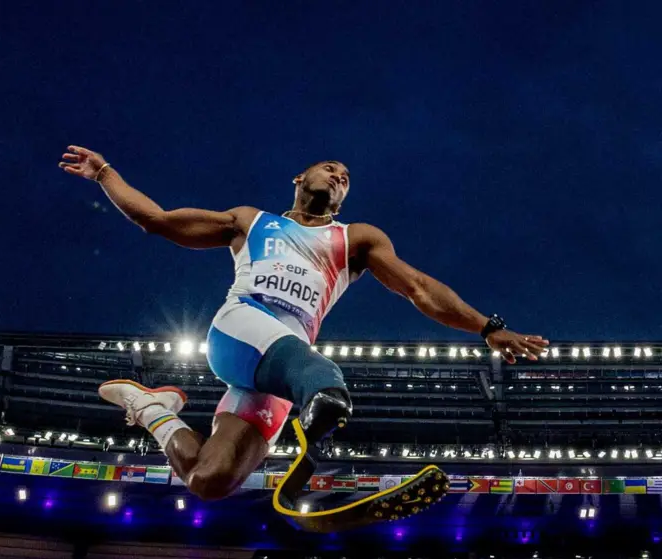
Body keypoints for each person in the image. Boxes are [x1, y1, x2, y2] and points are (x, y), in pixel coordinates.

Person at [59, 146, 550, 529]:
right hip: (242, 327)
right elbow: (157, 221)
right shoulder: (251, 221)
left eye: (347, 179)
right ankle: (317, 431)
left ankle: (152, 410)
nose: (340, 178)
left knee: (211, 480)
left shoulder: (355, 238)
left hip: (283, 365)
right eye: (331, 169)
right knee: (326, 383)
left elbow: (417, 287)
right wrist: (105, 174)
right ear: (300, 178)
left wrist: (487, 326)